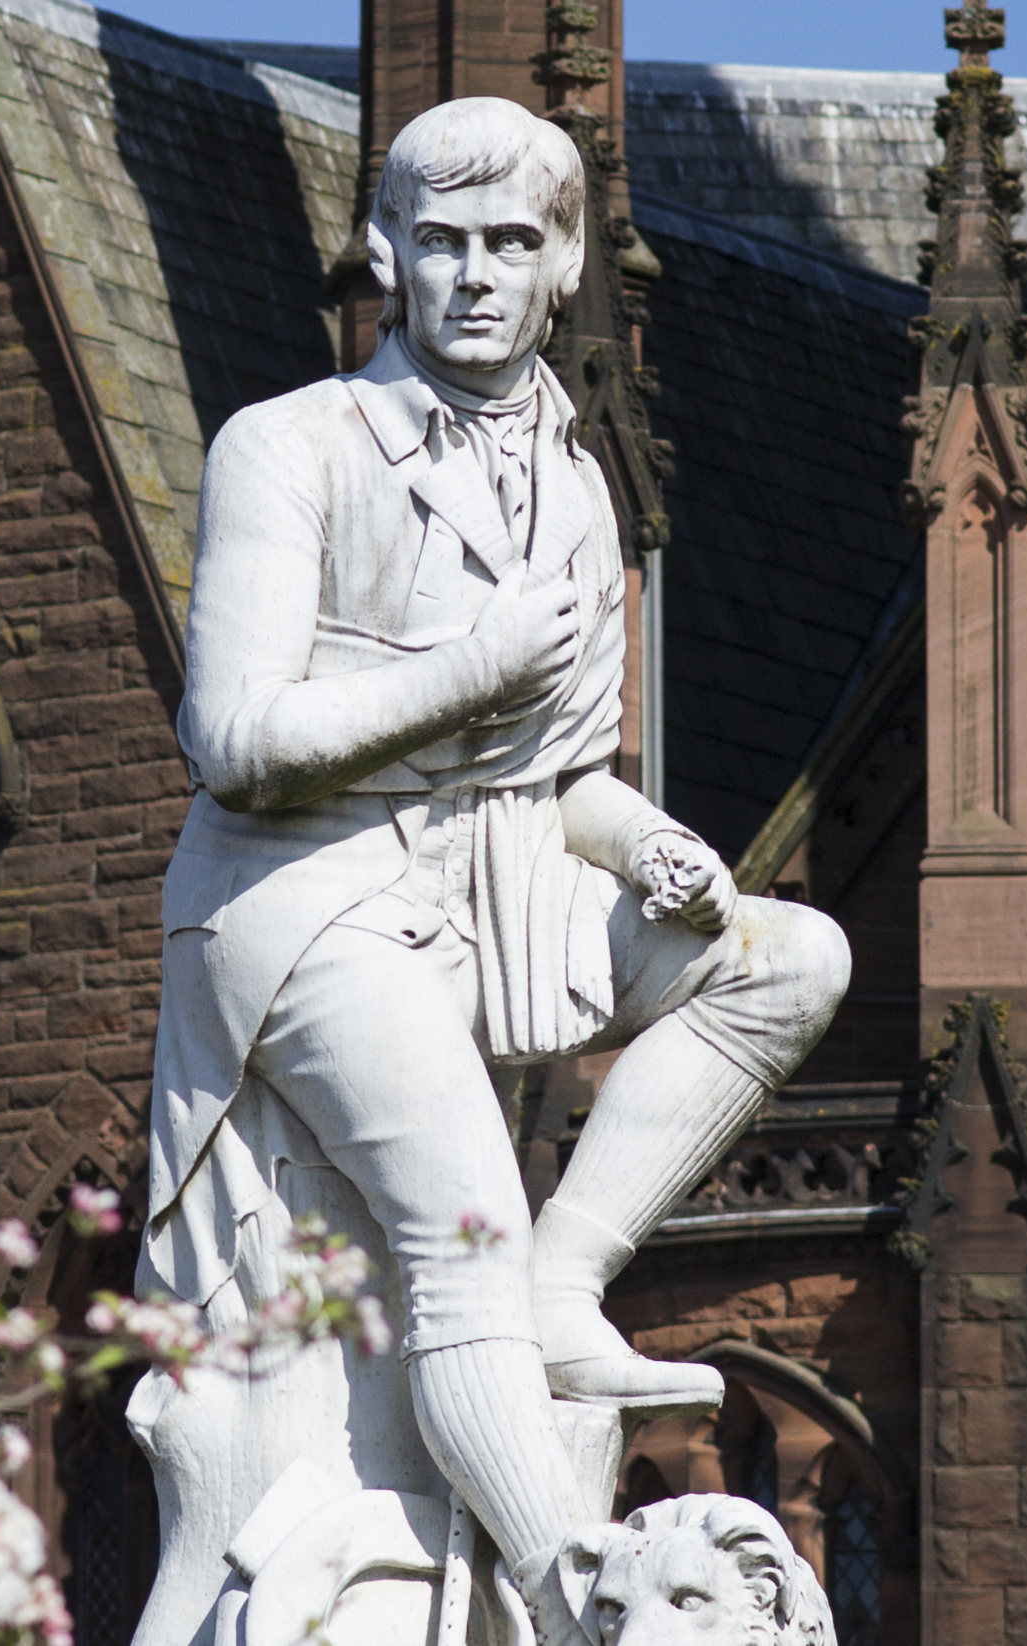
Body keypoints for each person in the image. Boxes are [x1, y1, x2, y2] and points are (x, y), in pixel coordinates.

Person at [134, 94, 851, 1643]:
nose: (472, 277)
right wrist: (466, 668)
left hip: (499, 873)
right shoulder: (291, 443)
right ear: (384, 252)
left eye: (511, 244)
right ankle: (569, 1587)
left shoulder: (582, 492)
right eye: (441, 243)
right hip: (303, 892)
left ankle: (564, 1279)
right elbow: (234, 738)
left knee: (797, 961)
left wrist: (646, 839)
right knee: (459, 1226)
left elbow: (564, 774)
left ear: (564, 260)